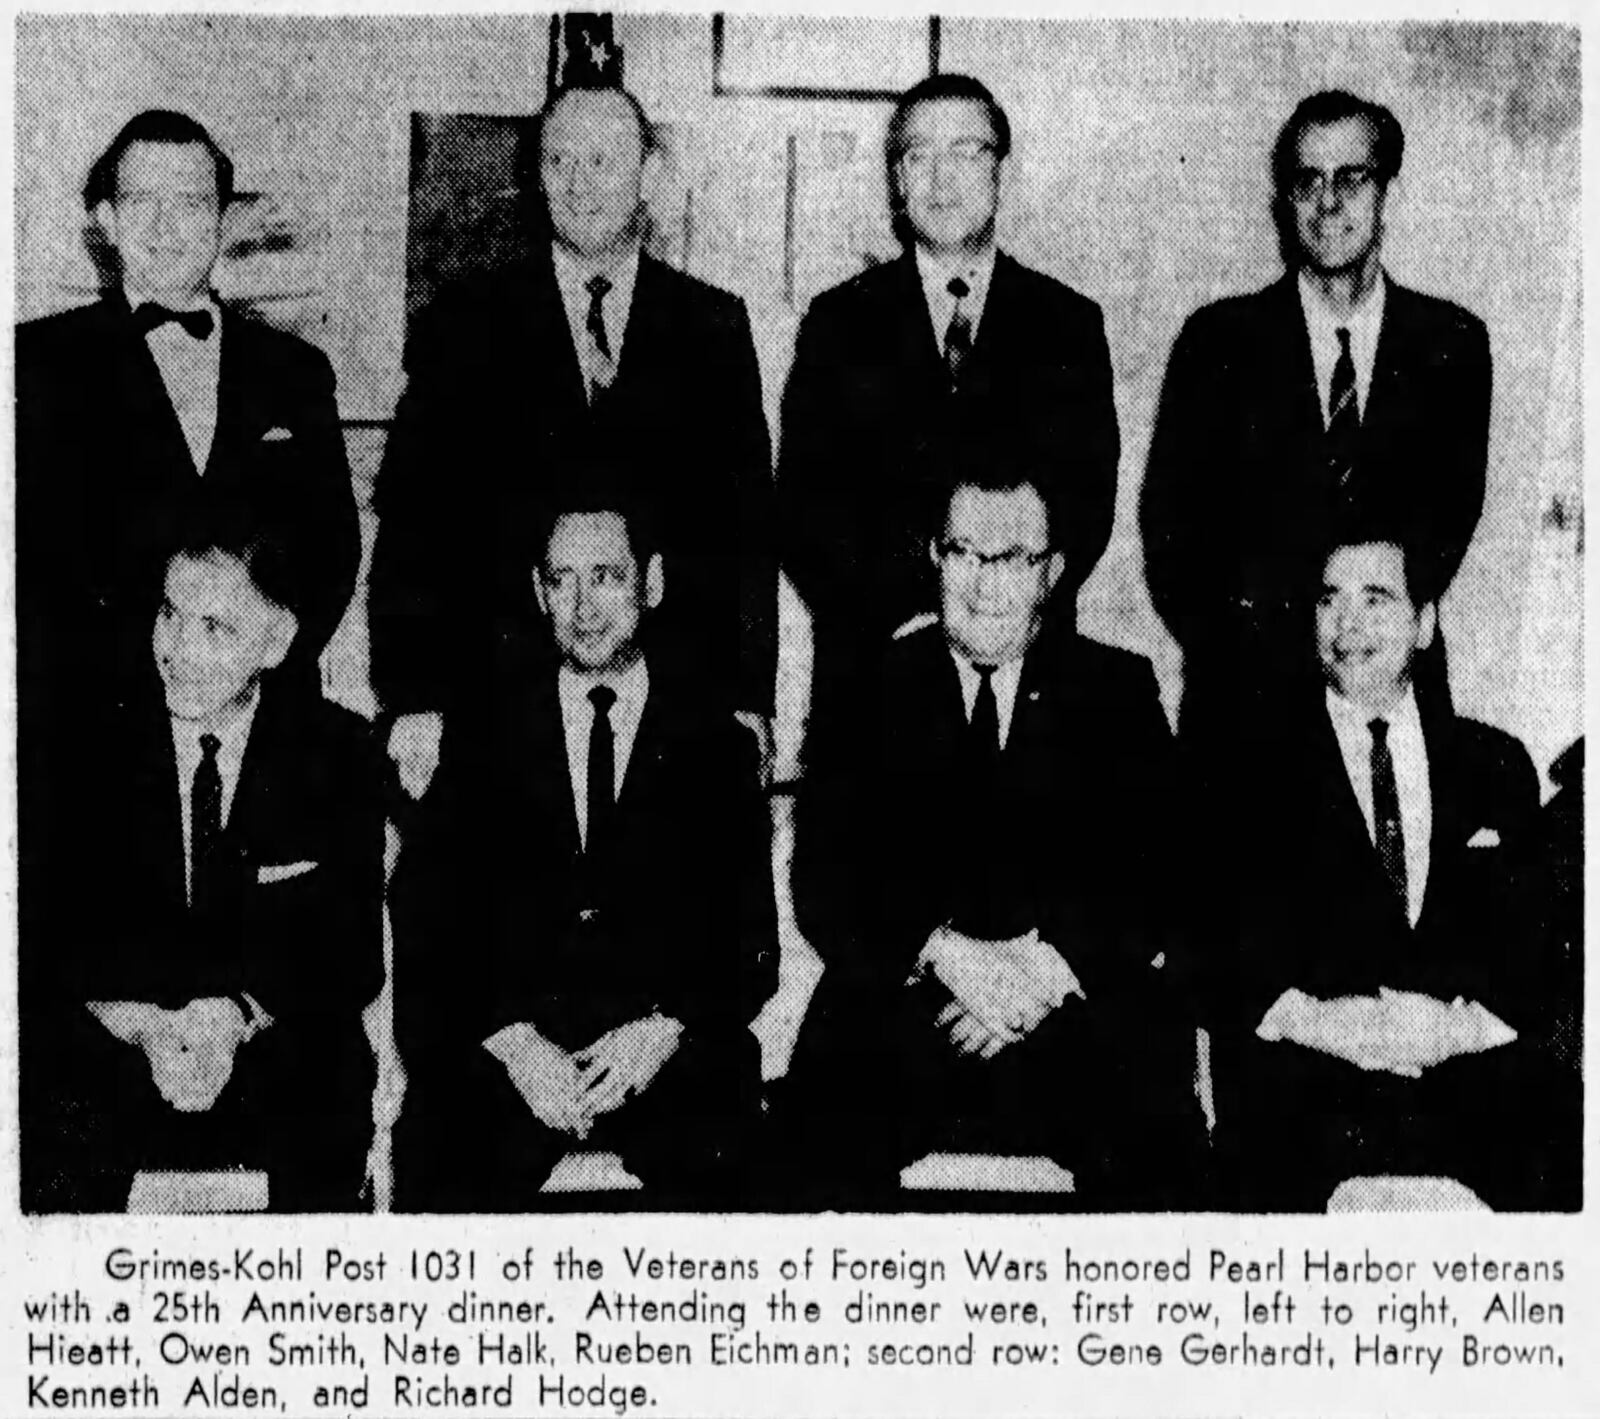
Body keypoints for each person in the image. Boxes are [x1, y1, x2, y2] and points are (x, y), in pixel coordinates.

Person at [789, 459, 1202, 1208]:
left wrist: (1044, 970)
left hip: (1073, 1013)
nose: (983, 585)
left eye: (1011, 559)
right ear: (934, 557)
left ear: (1052, 572)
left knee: (1164, 1144)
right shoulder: (867, 688)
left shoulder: (1116, 689)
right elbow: (824, 879)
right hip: (911, 1007)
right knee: (813, 1142)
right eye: (963, 554)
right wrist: (947, 956)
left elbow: (1161, 877)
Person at [369, 81, 775, 804]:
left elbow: (746, 528)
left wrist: (749, 692)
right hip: (498, 697)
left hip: (670, 704)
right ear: (536, 176)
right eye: (560, 162)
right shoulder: (467, 322)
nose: (580, 184)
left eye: (603, 161)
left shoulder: (711, 325)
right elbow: (414, 522)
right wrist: (414, 694)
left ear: (649, 175)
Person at [390, 483, 775, 1211]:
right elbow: (427, 915)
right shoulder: (482, 736)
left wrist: (660, 1030)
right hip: (517, 1055)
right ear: (537, 592)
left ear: (651, 583)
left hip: (661, 1051)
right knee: (440, 1149)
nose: (584, 606)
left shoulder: (717, 744)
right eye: (561, 580)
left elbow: (748, 941)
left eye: (606, 576)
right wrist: (514, 1042)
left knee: (729, 1145)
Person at [21, 506, 385, 1213]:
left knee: (328, 1090)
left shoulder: (337, 753)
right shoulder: (79, 746)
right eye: (169, 614)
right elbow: (50, 940)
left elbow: (349, 955)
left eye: (215, 628)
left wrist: (234, 1013)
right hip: (121, 1047)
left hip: (265, 1051)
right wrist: (148, 1025)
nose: (179, 650)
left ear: (277, 640)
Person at [1215, 526, 1568, 1211]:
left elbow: (1538, 954)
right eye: (1329, 600)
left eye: (1376, 599)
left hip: (1466, 1078)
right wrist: (1322, 1022)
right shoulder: (1251, 767)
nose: (1348, 623)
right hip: (1317, 1081)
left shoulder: (1494, 765)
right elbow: (1218, 950)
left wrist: (1452, 1028)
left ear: (1424, 622)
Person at [778, 72, 1120, 747]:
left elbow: (1085, 504)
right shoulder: (839, 323)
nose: (942, 178)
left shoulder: (1067, 324)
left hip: (1026, 663)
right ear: (896, 181)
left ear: (1001, 170)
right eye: (918, 156)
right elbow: (806, 509)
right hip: (877, 664)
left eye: (967, 152)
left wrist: (994, 613)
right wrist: (929, 618)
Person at [1142, 89, 1491, 742]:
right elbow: (1173, 537)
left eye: (1351, 179)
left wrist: (1369, 640)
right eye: (1308, 181)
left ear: (1389, 191)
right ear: (1285, 202)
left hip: (1393, 691)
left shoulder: (1452, 344)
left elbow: (1448, 520)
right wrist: (1258, 650)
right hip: (1246, 706)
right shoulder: (1217, 342)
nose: (1328, 202)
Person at [16, 108, 360, 714]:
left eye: (193, 203)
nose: (166, 225)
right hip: (92, 721)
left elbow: (330, 551)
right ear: (106, 221)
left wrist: (254, 671)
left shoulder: (296, 372)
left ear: (225, 221)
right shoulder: (33, 364)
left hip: (261, 721)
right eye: (143, 200)